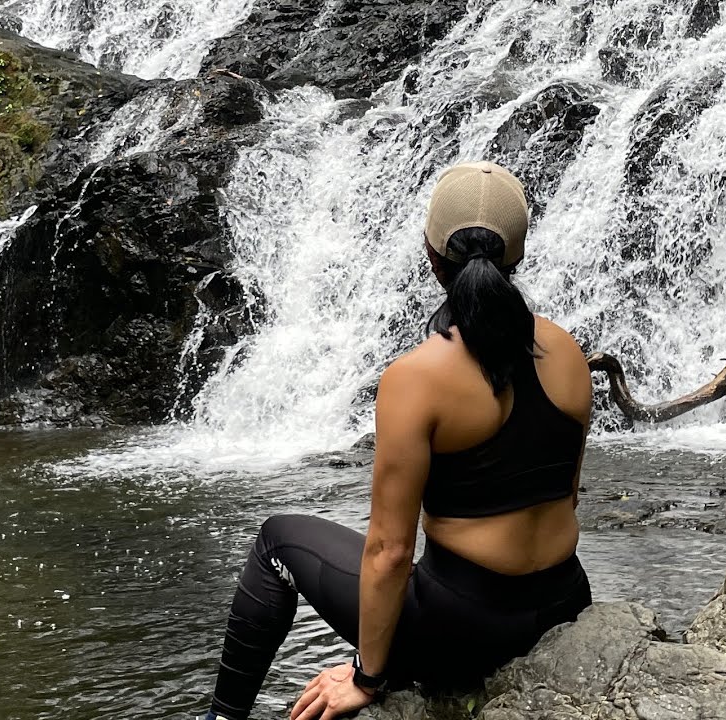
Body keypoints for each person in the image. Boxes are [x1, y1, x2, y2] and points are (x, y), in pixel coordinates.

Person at [201, 161, 593, 720]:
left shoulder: (418, 377)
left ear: (432, 257)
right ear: (517, 256)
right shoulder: (570, 351)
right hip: (563, 605)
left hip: (463, 631)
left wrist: (367, 674)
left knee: (274, 542)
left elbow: (389, 553)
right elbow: (567, 496)